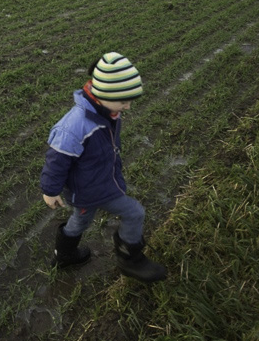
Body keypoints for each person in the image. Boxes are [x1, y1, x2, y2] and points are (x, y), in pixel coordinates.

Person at [39, 52, 167, 283]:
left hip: (102, 182)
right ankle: (130, 259)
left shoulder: (106, 112)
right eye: (123, 102)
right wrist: (50, 190)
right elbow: (57, 160)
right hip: (89, 191)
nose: (127, 107)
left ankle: (65, 255)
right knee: (134, 212)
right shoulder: (75, 125)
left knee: (80, 221)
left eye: (129, 101)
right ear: (103, 95)